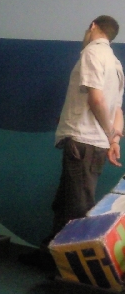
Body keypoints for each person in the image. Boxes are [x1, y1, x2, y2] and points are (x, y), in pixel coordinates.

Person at [49, 16, 123, 242]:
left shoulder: (92, 53)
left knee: (76, 209)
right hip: (92, 145)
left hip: (83, 143)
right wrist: (114, 141)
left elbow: (96, 100)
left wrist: (110, 134)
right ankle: (50, 257)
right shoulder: (116, 63)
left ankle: (72, 272)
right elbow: (117, 109)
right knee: (63, 203)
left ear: (93, 26)